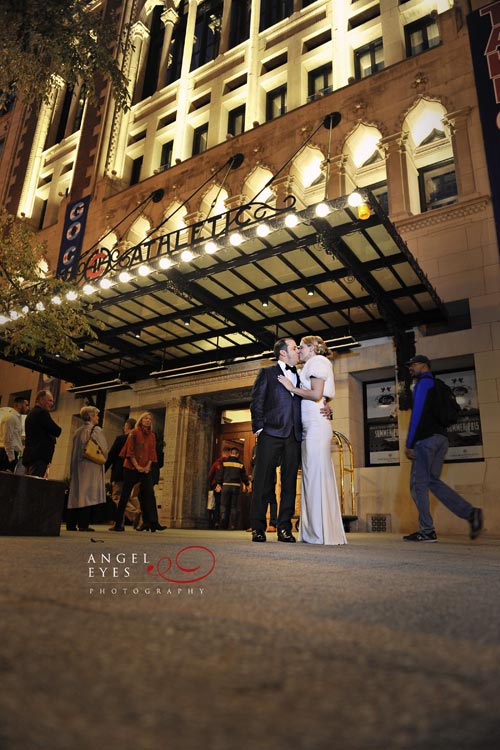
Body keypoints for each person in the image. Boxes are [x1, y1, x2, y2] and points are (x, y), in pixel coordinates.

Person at [250, 337, 330, 543]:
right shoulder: (267, 373)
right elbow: (256, 402)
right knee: (263, 482)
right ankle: (258, 528)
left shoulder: (302, 375)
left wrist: (327, 407)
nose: (298, 351)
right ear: (283, 353)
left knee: (289, 485)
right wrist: (259, 429)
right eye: (295, 348)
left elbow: (315, 395)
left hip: (294, 436)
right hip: (270, 434)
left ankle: (284, 528)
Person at [402, 354, 483, 542]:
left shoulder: (423, 384)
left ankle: (427, 530)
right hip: (441, 439)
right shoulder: (440, 385)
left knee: (417, 486)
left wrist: (409, 444)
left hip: (425, 440)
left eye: (412, 365)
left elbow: (417, 415)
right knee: (432, 482)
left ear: (424, 365)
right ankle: (471, 513)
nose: (410, 368)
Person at [277, 336, 347, 546]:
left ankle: (319, 532)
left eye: (301, 347)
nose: (298, 350)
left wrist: (291, 387)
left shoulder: (317, 362)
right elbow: (322, 395)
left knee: (315, 475)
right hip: (311, 425)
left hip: (316, 426)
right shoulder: (310, 364)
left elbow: (316, 394)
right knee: (312, 476)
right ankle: (315, 531)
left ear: (311, 348)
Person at [110, 411, 166, 532]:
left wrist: (147, 467)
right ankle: (118, 524)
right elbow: (129, 452)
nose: (148, 420)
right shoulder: (134, 433)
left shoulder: (152, 435)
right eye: (146, 418)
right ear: (141, 420)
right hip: (131, 467)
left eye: (150, 419)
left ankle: (152, 522)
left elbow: (152, 453)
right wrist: (137, 466)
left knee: (149, 494)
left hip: (146, 468)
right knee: (125, 495)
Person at [66, 406, 108, 532]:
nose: (98, 417)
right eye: (96, 415)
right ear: (90, 416)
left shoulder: (77, 431)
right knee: (88, 494)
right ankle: (83, 524)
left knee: (76, 493)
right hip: (91, 465)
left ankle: (71, 524)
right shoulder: (96, 430)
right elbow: (104, 449)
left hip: (77, 464)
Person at [105, 418, 141, 526]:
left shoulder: (121, 439)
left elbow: (112, 455)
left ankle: (135, 513)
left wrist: (104, 469)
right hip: (133, 472)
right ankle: (125, 521)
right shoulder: (138, 440)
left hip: (119, 471)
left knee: (117, 496)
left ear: (127, 426)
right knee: (128, 496)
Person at [22, 390, 62, 477]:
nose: (52, 403)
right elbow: (57, 430)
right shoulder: (42, 413)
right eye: (50, 400)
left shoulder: (31, 414)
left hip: (30, 456)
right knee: (34, 486)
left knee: (27, 484)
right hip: (38, 457)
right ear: (40, 400)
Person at [214, 446, 250, 530]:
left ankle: (223, 524)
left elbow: (220, 474)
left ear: (231, 453)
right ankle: (233, 525)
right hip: (236, 486)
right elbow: (244, 476)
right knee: (234, 507)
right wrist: (247, 484)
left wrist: (219, 484)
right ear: (237, 454)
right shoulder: (240, 464)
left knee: (224, 505)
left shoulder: (224, 463)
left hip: (226, 485)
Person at [250, 440, 277, 532]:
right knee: (256, 500)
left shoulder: (273, 444)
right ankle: (255, 524)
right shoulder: (255, 448)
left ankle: (273, 524)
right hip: (257, 475)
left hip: (270, 476)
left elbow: (275, 460)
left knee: (271, 499)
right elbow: (252, 462)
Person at [0, 396, 29, 472]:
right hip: (6, 453)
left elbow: (15, 437)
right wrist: (11, 457)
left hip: (12, 453)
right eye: (25, 405)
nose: (27, 408)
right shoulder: (10, 417)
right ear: (18, 404)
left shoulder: (18, 418)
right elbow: (7, 438)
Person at [207, 445, 230, 528]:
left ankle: (216, 522)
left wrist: (213, 484)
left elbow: (210, 474)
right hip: (226, 485)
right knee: (225, 505)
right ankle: (224, 523)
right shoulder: (229, 463)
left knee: (217, 505)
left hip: (216, 486)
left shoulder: (217, 463)